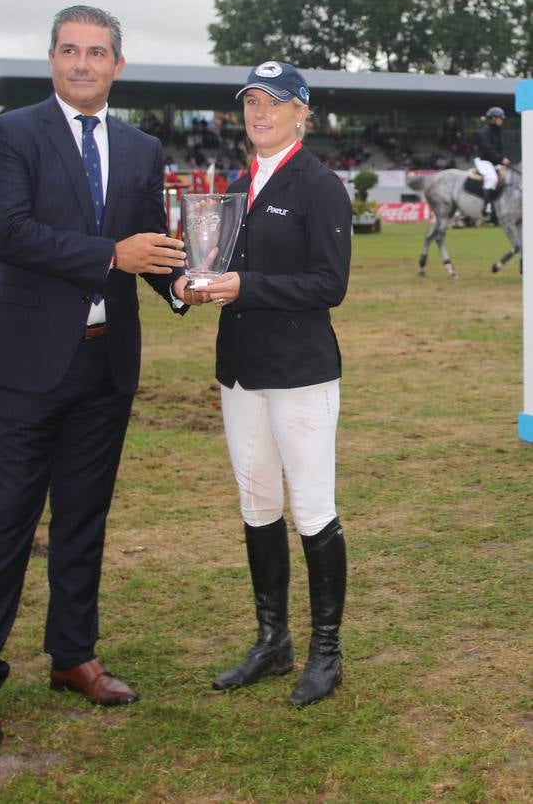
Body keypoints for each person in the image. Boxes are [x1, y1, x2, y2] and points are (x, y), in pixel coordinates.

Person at [0, 5, 198, 749]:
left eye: (97, 52)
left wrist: (184, 285)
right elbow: (9, 233)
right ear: (51, 58)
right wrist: (108, 258)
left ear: (118, 65)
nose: (83, 63)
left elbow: (147, 244)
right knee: (9, 520)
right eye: (69, 50)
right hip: (27, 362)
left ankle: (73, 657)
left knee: (84, 518)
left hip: (105, 362)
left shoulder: (139, 145)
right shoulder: (11, 132)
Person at [189, 61, 352, 707]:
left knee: (312, 509)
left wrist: (244, 287)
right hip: (241, 371)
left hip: (301, 373)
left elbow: (328, 285)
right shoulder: (232, 185)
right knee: (257, 505)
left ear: (300, 112)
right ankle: (273, 640)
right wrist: (187, 285)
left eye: (274, 102)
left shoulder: (319, 186)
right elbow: (212, 265)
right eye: (251, 102)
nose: (260, 113)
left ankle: (326, 653)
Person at [474, 106, 510, 224]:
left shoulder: (498, 132)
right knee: (492, 178)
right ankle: (487, 208)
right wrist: (501, 159)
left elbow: (500, 148)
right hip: (483, 161)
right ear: (493, 118)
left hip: (494, 162)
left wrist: (503, 160)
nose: (502, 120)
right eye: (500, 118)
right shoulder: (483, 132)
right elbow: (487, 150)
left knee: (508, 178)